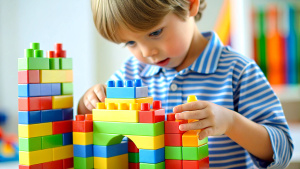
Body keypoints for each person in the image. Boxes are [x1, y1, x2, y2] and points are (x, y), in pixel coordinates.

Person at [78, 0, 294, 168]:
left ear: (190, 4)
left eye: (155, 32)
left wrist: (231, 122)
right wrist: (88, 104)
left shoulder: (238, 71)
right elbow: (96, 130)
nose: (146, 52)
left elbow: (282, 149)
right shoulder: (129, 74)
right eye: (130, 43)